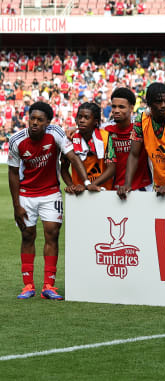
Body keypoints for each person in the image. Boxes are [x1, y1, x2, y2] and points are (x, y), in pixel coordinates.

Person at [9, 102, 92, 300]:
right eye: (32, 119)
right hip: (26, 194)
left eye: (40, 120)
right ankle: (28, 285)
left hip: (50, 193)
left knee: (52, 234)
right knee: (27, 236)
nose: (35, 123)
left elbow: (72, 157)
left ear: (48, 122)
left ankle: (49, 286)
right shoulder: (16, 140)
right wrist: (16, 206)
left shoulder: (55, 133)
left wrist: (87, 182)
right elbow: (12, 174)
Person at [118, 82, 165, 199]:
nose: (164, 105)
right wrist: (127, 184)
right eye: (158, 102)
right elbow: (134, 154)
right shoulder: (142, 119)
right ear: (149, 103)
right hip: (159, 184)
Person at [105, 87, 153, 192]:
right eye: (114, 106)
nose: (116, 110)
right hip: (115, 189)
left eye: (121, 107)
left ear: (131, 108)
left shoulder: (141, 127)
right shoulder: (107, 130)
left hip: (142, 188)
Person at [60, 102, 116, 192]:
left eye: (86, 117)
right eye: (79, 117)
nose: (81, 120)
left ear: (96, 121)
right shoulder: (70, 138)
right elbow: (64, 168)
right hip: (79, 191)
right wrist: (71, 185)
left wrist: (90, 185)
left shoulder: (106, 137)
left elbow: (112, 168)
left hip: (103, 190)